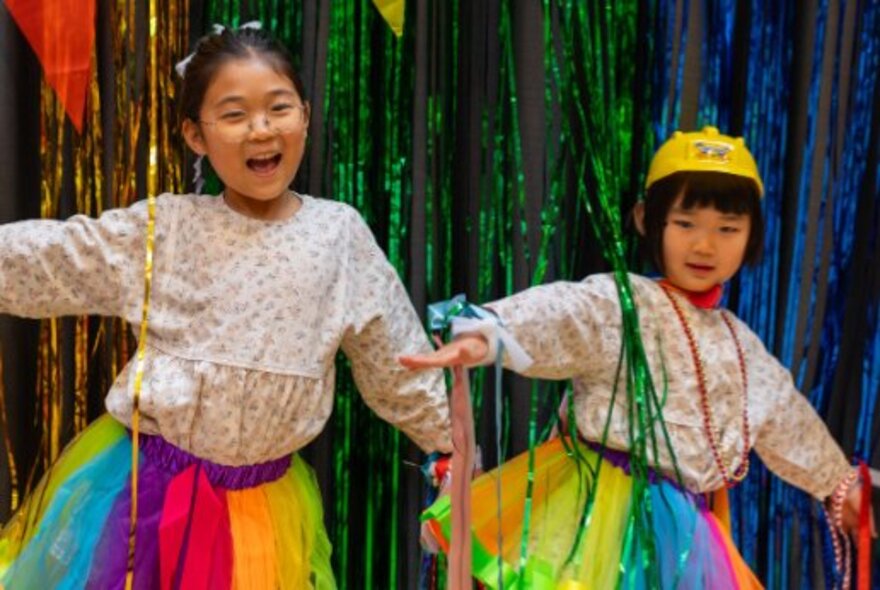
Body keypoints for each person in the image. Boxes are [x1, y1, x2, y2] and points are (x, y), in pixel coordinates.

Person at [0, 26, 451, 589]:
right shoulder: (168, 228)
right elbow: (57, 258)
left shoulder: (338, 234)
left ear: (305, 116)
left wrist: (447, 440)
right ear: (196, 135)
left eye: (278, 108)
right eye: (234, 115)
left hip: (263, 514)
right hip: (148, 500)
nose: (261, 128)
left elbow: (395, 355)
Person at [402, 127, 869, 589]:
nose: (705, 245)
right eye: (686, 224)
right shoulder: (622, 303)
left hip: (690, 538)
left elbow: (786, 418)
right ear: (648, 219)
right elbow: (565, 314)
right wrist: (487, 334)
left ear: (751, 236)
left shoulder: (740, 344)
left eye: (727, 229)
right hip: (603, 518)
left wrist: (839, 484)